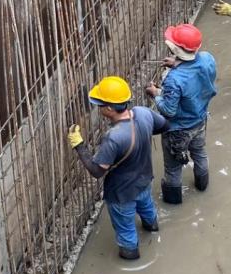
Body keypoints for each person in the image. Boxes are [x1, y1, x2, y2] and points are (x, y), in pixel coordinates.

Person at [67, 76, 167, 260]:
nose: (99, 108)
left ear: (109, 109)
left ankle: (131, 259)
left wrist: (79, 145)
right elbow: (164, 125)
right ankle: (151, 227)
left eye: (100, 105)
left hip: (122, 194)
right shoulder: (143, 113)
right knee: (148, 211)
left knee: (127, 234)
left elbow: (97, 171)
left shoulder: (114, 137)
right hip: (144, 182)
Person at [143, 23, 217, 205]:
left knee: (173, 168)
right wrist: (178, 63)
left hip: (177, 130)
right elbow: (196, 72)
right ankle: (202, 185)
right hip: (199, 121)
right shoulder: (207, 59)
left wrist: (155, 94)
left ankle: (173, 202)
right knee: (199, 153)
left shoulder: (174, 80)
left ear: (176, 49)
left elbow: (169, 110)